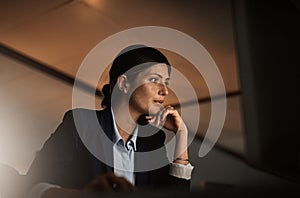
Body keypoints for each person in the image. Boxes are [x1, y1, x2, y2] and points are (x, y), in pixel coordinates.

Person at [25, 45, 194, 198]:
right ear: (124, 84)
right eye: (154, 80)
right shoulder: (82, 124)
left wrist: (181, 134)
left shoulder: (152, 142)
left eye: (166, 83)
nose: (164, 90)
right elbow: (32, 187)